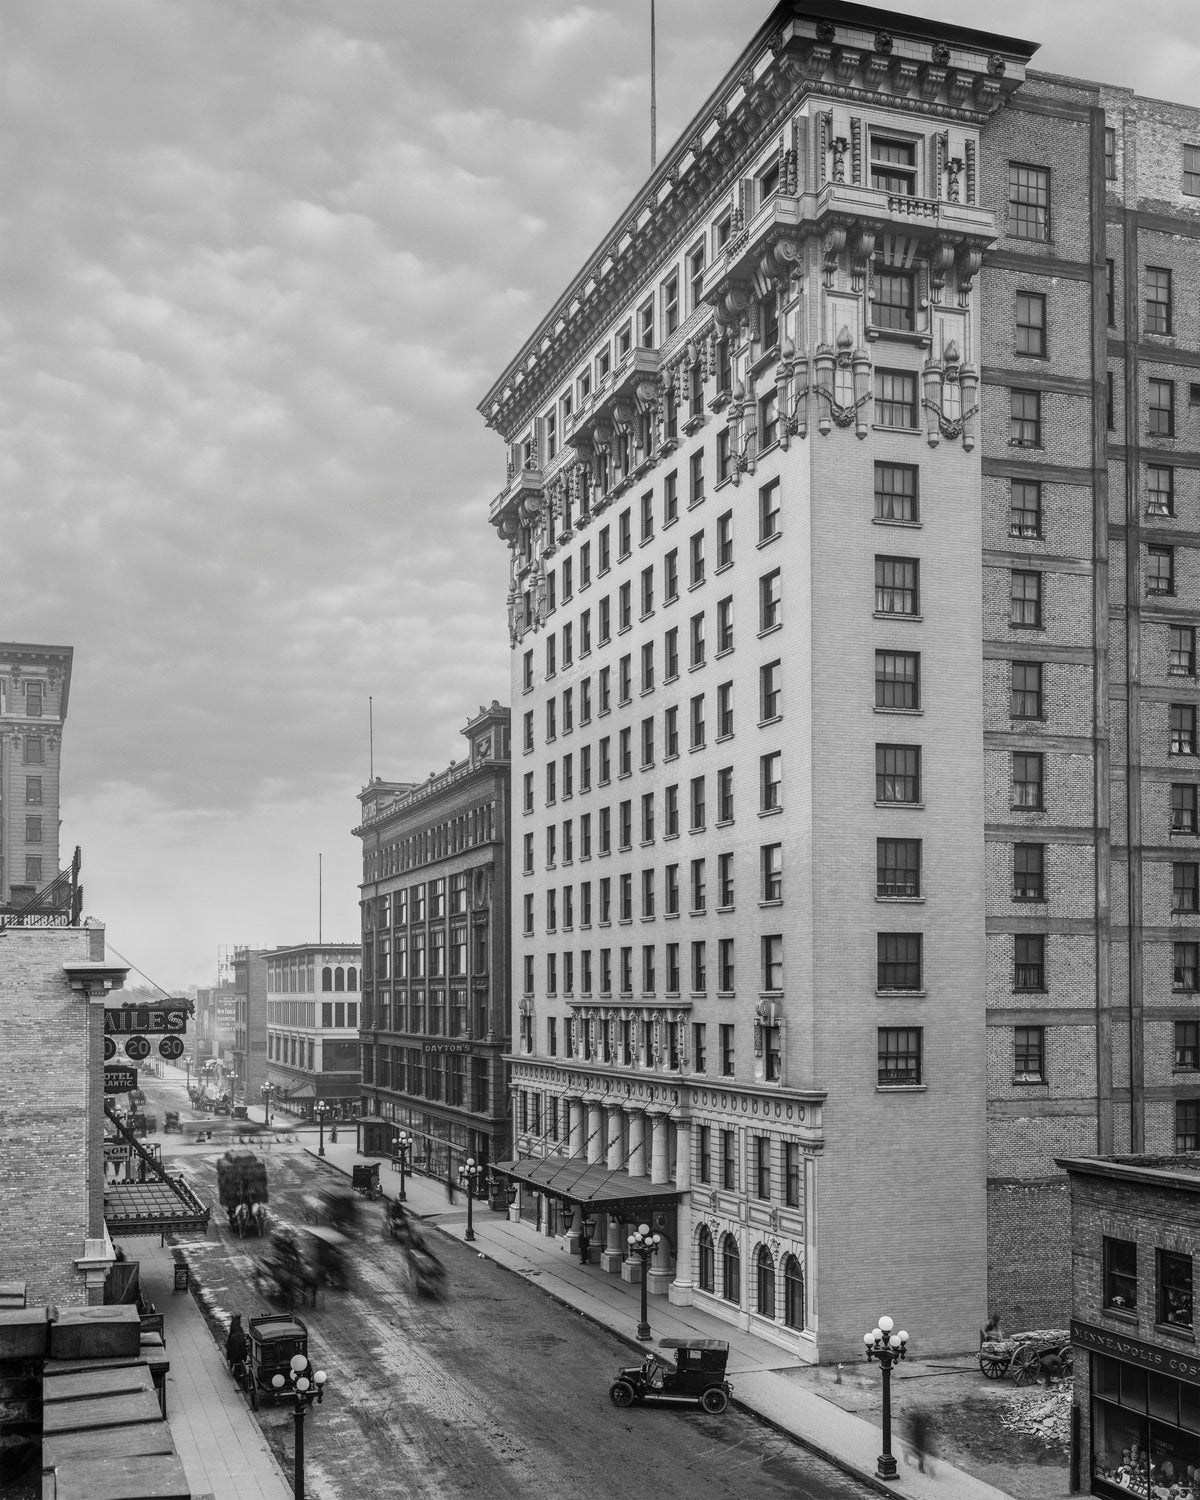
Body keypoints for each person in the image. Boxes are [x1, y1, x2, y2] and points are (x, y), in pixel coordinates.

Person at [904, 1406, 937, 1475]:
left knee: (920, 1456)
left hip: (919, 1443)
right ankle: (921, 1468)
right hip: (918, 1443)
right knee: (920, 1457)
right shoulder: (917, 1427)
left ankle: (921, 1467)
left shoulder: (916, 1426)